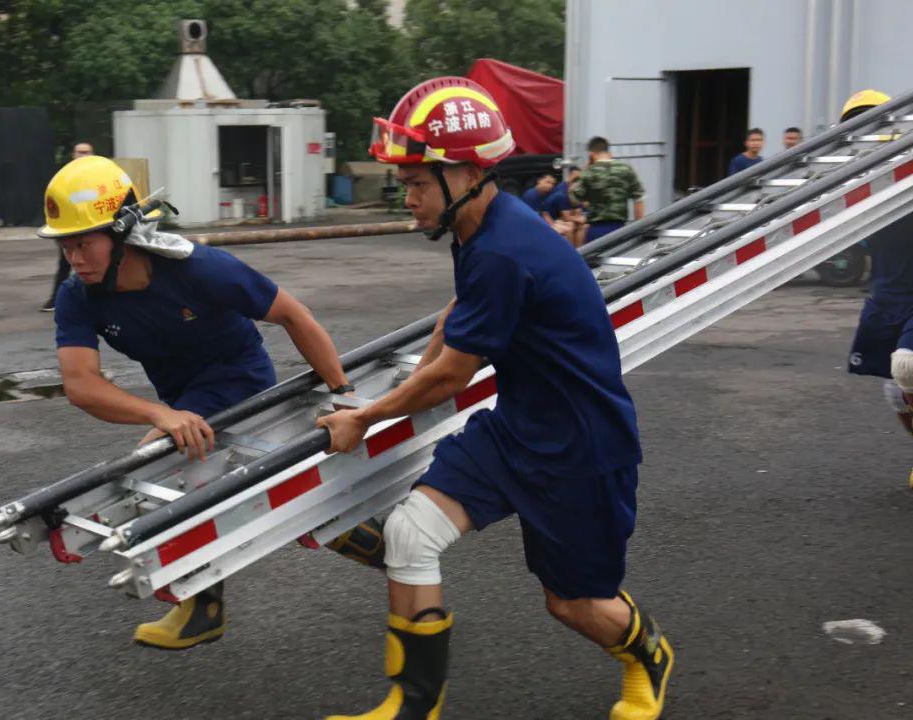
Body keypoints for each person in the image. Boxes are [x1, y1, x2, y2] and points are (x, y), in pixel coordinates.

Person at [319, 77, 672, 720]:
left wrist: (366, 415)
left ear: (467, 174)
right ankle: (413, 705)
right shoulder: (483, 229)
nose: (410, 198)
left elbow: (454, 375)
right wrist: (405, 383)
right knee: (409, 534)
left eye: (419, 183)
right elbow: (457, 317)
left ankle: (647, 655)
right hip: (517, 431)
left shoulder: (506, 248)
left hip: (582, 450)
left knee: (572, 603)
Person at [40, 155, 386, 651]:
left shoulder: (196, 267)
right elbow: (81, 384)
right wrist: (160, 413)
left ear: (122, 233)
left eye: (84, 242)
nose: (74, 257)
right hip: (182, 399)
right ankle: (359, 537)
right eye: (65, 245)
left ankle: (203, 608)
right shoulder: (79, 296)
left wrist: (341, 394)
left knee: (157, 472)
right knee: (282, 498)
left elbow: (293, 315)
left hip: (241, 381)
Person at [841, 90, 913, 464]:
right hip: (887, 297)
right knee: (893, 391)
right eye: (857, 125)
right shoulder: (857, 186)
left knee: (908, 365)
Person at [41, 143, 97, 311]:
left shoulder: (97, 176)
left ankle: (94, 298)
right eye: (80, 152)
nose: (83, 155)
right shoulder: (65, 176)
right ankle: (56, 299)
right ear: (73, 155)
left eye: (87, 152)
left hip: (92, 226)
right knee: (66, 263)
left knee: (96, 262)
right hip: (70, 227)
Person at [570, 137, 645, 244]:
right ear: (608, 150)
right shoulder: (626, 169)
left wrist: (583, 171)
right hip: (619, 228)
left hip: (595, 229)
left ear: (591, 154)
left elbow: (574, 199)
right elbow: (638, 199)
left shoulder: (589, 172)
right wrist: (639, 228)